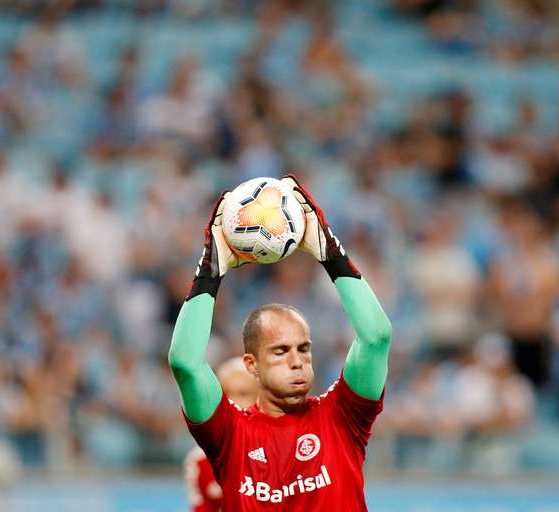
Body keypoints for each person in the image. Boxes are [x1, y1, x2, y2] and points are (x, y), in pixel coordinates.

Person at [168, 174, 392, 509]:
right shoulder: (230, 434)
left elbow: (376, 337)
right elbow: (185, 363)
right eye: (280, 351)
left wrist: (329, 252)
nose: (297, 360)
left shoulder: (342, 416)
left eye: (304, 348)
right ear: (251, 365)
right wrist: (211, 271)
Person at [184, 357, 259, 511]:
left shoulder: (286, 451)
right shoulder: (200, 462)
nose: (232, 401)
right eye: (225, 394)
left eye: (243, 393)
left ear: (261, 398)